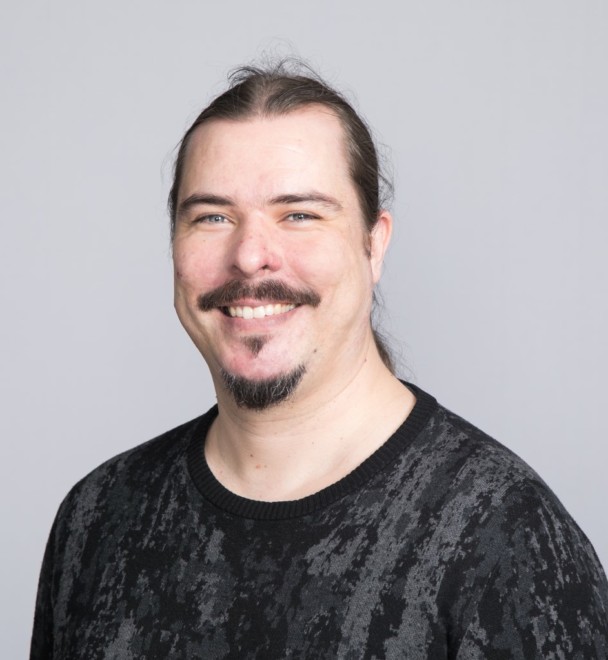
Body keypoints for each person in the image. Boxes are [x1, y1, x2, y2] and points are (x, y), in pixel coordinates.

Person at [31, 61, 608, 659]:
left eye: (299, 214)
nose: (251, 256)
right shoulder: (98, 516)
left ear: (373, 244)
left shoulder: (504, 536)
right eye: (212, 217)